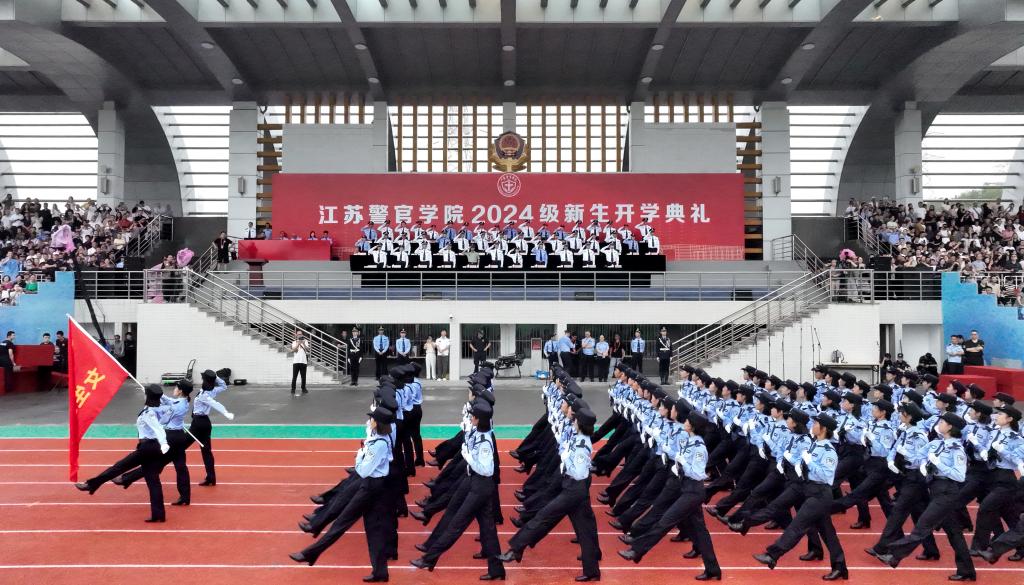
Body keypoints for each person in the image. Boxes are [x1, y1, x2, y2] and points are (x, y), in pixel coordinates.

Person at [290, 406, 395, 581]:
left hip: (371, 487)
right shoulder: (379, 439)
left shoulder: (379, 445)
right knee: (374, 531)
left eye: (372, 419)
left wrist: (360, 455)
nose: (369, 421)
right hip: (375, 486)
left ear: (377, 423)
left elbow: (363, 471)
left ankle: (310, 553)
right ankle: (380, 572)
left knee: (341, 523)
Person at [500, 405, 601, 581]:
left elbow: (578, 472)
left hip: (574, 488)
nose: (573, 419)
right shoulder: (577, 436)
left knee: (543, 516)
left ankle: (515, 548)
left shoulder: (581, 445)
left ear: (580, 423)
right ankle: (592, 571)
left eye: (575, 418)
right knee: (585, 529)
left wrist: (566, 461)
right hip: (574, 487)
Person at [875, 412, 976, 582]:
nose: (939, 424)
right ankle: (967, 571)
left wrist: (938, 463)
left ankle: (894, 554)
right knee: (954, 533)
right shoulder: (936, 443)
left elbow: (960, 476)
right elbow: (918, 457)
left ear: (950, 427)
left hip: (946, 491)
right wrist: (919, 461)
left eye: (942, 422)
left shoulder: (957, 449)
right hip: (935, 489)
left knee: (922, 526)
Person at [411, 400, 505, 580]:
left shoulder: (485, 442)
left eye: (472, 416)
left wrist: (469, 458)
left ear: (478, 419)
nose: (470, 418)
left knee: (456, 524)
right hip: (474, 482)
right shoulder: (477, 433)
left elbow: (487, 470)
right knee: (487, 529)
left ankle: (429, 559)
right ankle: (496, 569)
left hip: (480, 486)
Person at [751, 413, 848, 581]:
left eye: (816, 423)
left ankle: (772, 555)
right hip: (811, 490)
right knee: (828, 533)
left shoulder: (828, 450)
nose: (812, 425)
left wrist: (810, 462)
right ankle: (840, 568)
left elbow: (826, 476)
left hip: (820, 493)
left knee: (797, 525)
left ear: (824, 428)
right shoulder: (815, 444)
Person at [75, 384, 171, 522]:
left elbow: (158, 429)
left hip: (147, 447)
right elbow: (168, 408)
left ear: (148, 397)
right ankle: (158, 514)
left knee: (119, 467)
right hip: (154, 448)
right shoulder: (160, 409)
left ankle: (91, 484)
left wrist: (164, 443)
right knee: (153, 482)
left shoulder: (149, 413)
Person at [114, 379, 196, 506]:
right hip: (180, 436)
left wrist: (152, 406)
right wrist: (153, 393)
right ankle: (185, 496)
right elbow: (169, 401)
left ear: (180, 391)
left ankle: (126, 479)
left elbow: (163, 420)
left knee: (154, 464)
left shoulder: (176, 406)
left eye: (176, 387)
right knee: (181, 466)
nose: (174, 389)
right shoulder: (183, 401)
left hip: (171, 437)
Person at [191, 370, 234, 486]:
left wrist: (225, 412)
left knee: (182, 443)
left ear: (204, 380)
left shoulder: (205, 395)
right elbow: (224, 386)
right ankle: (211, 477)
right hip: (204, 422)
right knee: (206, 451)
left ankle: (160, 463)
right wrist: (215, 377)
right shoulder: (211, 391)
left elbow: (215, 404)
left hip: (199, 423)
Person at [291, 330, 309, 396]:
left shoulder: (305, 341)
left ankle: (303, 388)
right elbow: (293, 350)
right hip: (296, 361)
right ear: (296, 335)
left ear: (302, 335)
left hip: (303, 361)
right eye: (298, 334)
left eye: (300, 334)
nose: (299, 335)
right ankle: (293, 389)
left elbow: (308, 349)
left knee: (303, 377)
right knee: (294, 376)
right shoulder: (294, 342)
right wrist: (298, 344)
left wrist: (303, 343)